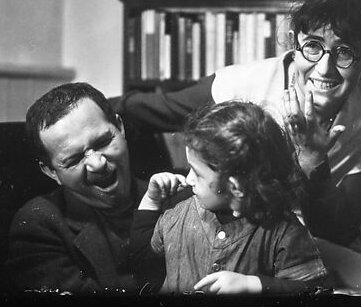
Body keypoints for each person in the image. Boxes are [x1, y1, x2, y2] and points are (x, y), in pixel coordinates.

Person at [109, 0, 361, 252]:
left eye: (344, 52)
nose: (325, 67)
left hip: (308, 243)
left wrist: (314, 163)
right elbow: (144, 110)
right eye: (313, 46)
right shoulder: (240, 84)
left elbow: (337, 232)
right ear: (295, 45)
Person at [129, 100, 329, 295]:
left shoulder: (284, 232)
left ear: (236, 187)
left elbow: (313, 290)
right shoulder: (179, 215)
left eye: (197, 173)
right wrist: (151, 201)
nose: (189, 179)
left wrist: (255, 285)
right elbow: (140, 265)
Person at [6, 82, 152, 293]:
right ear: (50, 171)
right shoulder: (39, 225)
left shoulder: (178, 199)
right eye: (74, 159)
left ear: (120, 128)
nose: (97, 164)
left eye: (103, 142)